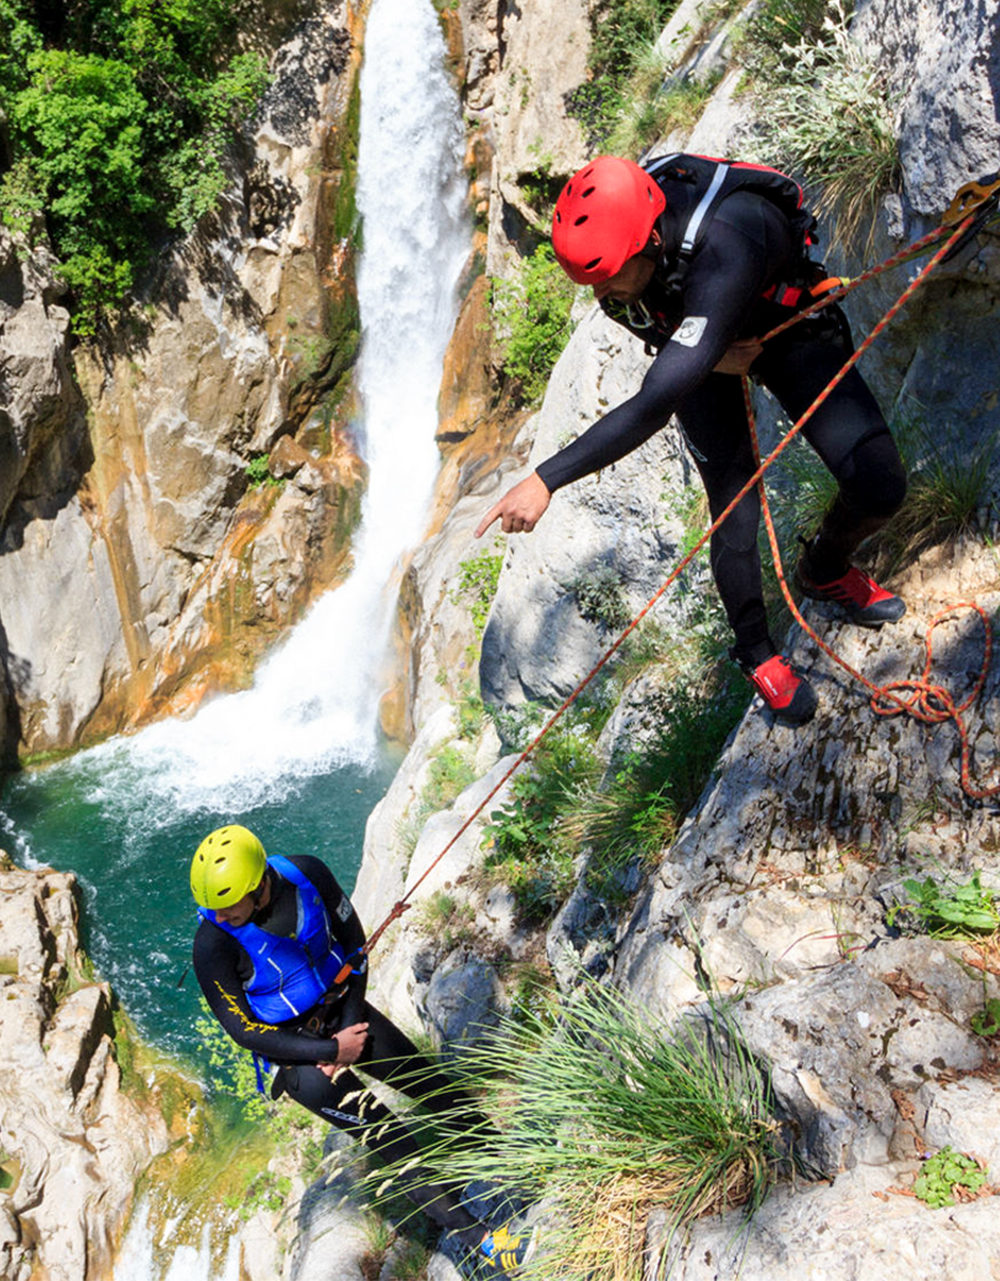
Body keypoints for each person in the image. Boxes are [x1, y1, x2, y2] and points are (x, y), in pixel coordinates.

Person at [476, 153, 908, 724]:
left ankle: (823, 569)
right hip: (699, 344)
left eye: (609, 277)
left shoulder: (731, 237)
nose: (603, 292)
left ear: (652, 240)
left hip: (780, 325)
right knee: (734, 507)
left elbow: (653, 404)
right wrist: (709, 356)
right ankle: (756, 652)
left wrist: (544, 480)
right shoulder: (622, 254)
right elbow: (653, 325)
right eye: (592, 282)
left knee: (879, 484)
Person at [190, 824, 532, 1275]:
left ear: (259, 886)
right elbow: (245, 1032)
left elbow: (355, 945)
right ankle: (482, 1240)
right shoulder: (212, 944)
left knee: (430, 1085)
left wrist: (349, 1029)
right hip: (294, 1054)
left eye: (229, 906)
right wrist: (330, 1050)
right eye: (214, 907)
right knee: (389, 1137)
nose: (219, 915)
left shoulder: (307, 874)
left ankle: (511, 1159)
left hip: (343, 1012)